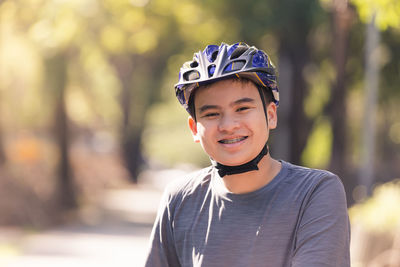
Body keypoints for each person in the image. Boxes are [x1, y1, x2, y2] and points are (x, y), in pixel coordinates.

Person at [144, 42, 350, 267]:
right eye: (212, 114)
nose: (228, 125)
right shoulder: (180, 200)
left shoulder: (315, 192)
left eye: (242, 109)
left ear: (271, 115)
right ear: (194, 128)